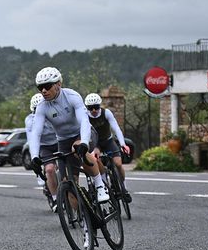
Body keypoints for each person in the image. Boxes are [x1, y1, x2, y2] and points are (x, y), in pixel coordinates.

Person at [28, 67, 110, 204]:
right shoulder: (42, 106)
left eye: (47, 86)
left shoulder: (72, 96)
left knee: (77, 148)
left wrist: (84, 142)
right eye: (40, 87)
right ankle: (82, 216)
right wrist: (34, 157)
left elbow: (84, 121)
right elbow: (36, 133)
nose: (43, 91)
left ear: (58, 84)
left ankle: (100, 185)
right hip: (63, 141)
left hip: (82, 133)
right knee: (68, 185)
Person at [84, 92, 132, 201]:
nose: (94, 110)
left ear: (100, 105)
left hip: (108, 141)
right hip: (95, 143)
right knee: (96, 160)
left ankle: (123, 187)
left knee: (118, 163)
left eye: (96, 107)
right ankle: (104, 183)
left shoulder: (106, 113)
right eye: (90, 108)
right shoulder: (85, 116)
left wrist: (123, 144)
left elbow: (116, 128)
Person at [25, 92, 59, 206]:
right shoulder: (30, 120)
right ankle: (55, 198)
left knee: (65, 168)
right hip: (44, 146)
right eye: (36, 110)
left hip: (59, 142)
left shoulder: (54, 113)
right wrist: (34, 157)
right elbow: (32, 140)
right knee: (49, 170)